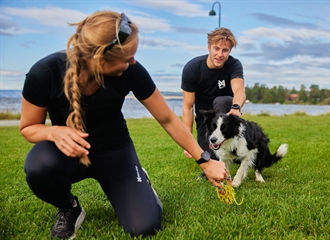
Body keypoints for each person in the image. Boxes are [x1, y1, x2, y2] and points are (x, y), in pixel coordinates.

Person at [19, 11, 228, 239]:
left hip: (116, 153)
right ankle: (70, 208)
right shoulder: (44, 73)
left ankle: (140, 183)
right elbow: (28, 127)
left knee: (144, 227)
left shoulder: (132, 72)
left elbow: (167, 119)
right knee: (38, 166)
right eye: (127, 58)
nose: (133, 62)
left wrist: (205, 161)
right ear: (100, 59)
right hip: (68, 154)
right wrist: (54, 132)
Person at [181, 27, 246, 178]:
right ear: (209, 47)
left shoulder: (234, 65)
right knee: (206, 154)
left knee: (221, 100)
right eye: (216, 48)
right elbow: (188, 106)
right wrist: (187, 139)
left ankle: (227, 153)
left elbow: (239, 91)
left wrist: (236, 108)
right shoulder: (192, 68)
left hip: (226, 112)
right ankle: (223, 157)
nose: (220, 54)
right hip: (205, 118)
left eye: (225, 50)